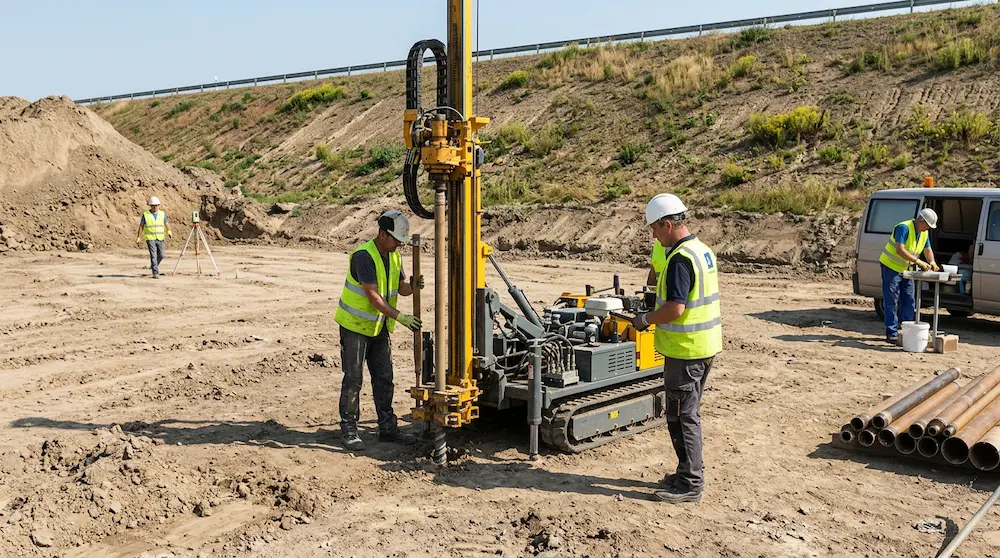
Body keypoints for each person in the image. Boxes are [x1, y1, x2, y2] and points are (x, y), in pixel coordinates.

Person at [631, 194, 722, 504]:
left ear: (667, 224)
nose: (653, 235)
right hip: (703, 346)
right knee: (683, 413)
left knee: (684, 416)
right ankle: (686, 471)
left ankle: (690, 484)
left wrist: (645, 319)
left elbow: (675, 309)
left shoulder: (680, 259)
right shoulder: (702, 251)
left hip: (686, 351)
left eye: (654, 229)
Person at [335, 209, 424, 451]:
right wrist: (402, 317)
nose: (399, 244)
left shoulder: (394, 256)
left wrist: (413, 285)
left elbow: (401, 288)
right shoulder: (364, 256)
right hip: (355, 326)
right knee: (354, 379)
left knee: (384, 378)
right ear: (383, 233)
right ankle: (349, 429)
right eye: (396, 239)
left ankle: (388, 427)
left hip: (379, 327)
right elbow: (373, 296)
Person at [878, 208, 939, 343]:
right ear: (920, 220)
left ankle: (908, 332)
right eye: (927, 225)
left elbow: (927, 249)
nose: (927, 229)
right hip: (891, 267)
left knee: (909, 301)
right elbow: (900, 250)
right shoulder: (903, 228)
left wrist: (932, 262)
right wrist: (918, 261)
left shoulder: (924, 233)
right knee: (891, 301)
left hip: (906, 269)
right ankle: (892, 333)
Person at [135, 196, 172, 278]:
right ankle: (155, 272)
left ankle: (154, 266)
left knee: (161, 255)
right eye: (153, 205)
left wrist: (169, 230)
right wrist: (138, 237)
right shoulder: (146, 215)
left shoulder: (162, 214)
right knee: (153, 255)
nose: (155, 207)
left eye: (156, 205)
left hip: (160, 237)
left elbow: (166, 223)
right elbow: (141, 226)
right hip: (150, 238)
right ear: (150, 206)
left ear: (159, 205)